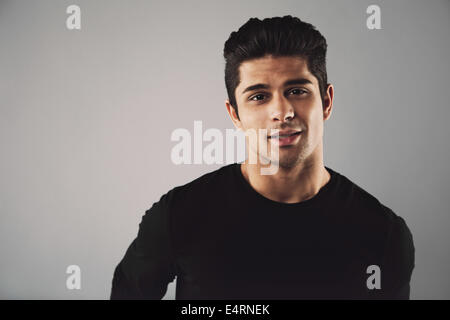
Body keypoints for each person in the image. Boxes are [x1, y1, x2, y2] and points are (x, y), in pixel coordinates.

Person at [110, 15, 415, 300]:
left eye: (297, 90)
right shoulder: (178, 216)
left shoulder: (382, 233)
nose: (281, 112)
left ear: (326, 102)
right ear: (235, 115)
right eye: (258, 96)